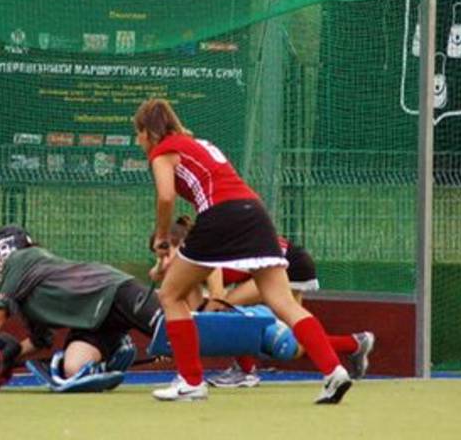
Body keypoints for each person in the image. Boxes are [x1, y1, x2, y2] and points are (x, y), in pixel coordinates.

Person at [135, 98, 352, 403]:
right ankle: (334, 370)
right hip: (254, 212)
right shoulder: (198, 144)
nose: (138, 141)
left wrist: (161, 235)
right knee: (282, 302)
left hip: (220, 215)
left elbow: (166, 196)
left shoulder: (162, 152)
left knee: (170, 294)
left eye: (138, 134)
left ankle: (191, 381)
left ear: (148, 131)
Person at [153, 216, 376, 389]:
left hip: (289, 263)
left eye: (165, 253)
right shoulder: (189, 264)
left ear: (182, 245)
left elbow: (217, 300)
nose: (162, 261)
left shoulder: (203, 254)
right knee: (292, 345)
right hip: (287, 261)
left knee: (226, 310)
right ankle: (355, 344)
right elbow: (194, 311)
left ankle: (245, 371)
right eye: (157, 256)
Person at [0, 225, 161, 388]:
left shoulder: (22, 258)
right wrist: (8, 356)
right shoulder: (24, 298)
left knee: (168, 332)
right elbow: (40, 341)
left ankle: (183, 381)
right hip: (92, 323)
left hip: (113, 291)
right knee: (73, 369)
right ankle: (115, 352)